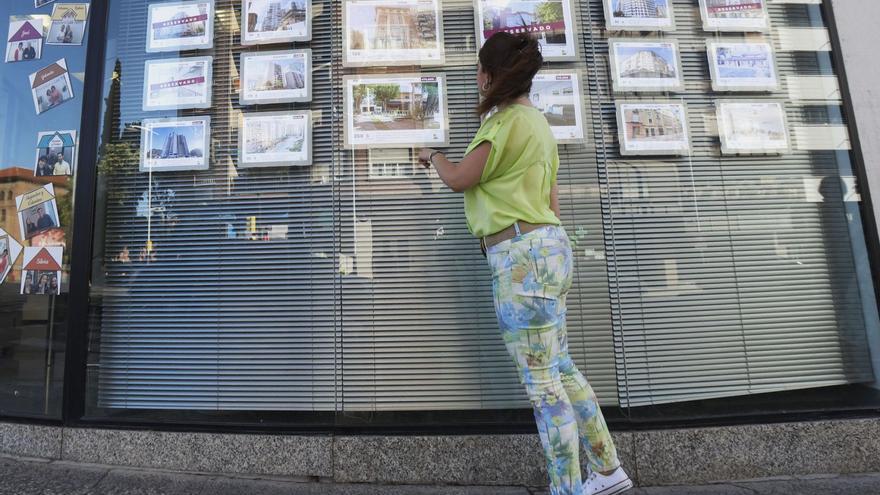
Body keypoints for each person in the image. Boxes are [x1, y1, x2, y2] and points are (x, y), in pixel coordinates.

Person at [417, 32, 632, 495]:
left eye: (479, 69)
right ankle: (609, 470)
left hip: (520, 258)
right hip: (550, 247)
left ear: (490, 75)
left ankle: (568, 488)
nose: (476, 78)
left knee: (542, 387)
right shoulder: (538, 125)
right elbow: (551, 202)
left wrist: (431, 155)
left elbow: (459, 178)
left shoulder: (504, 122)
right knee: (562, 369)